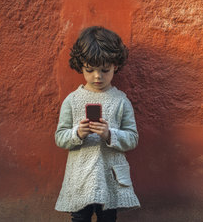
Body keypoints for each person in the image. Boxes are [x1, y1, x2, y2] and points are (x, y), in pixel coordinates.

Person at [55, 26, 140, 222]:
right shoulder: (72, 100)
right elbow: (60, 137)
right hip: (79, 178)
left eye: (105, 70)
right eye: (89, 69)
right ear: (80, 66)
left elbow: (133, 138)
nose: (97, 76)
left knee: (108, 218)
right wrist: (77, 133)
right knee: (80, 218)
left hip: (109, 178)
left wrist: (110, 134)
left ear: (115, 66)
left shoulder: (121, 101)